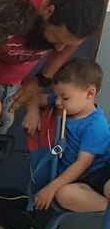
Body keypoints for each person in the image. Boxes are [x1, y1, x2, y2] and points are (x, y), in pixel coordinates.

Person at [0, 0, 107, 138]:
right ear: (48, 11)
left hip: (10, 86)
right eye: (56, 39)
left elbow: (67, 44)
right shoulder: (6, 0)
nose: (59, 49)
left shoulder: (79, 21)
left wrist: (41, 80)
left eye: (67, 43)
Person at [31, 60, 110, 214]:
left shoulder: (96, 125)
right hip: (79, 182)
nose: (58, 102)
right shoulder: (64, 101)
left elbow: (83, 163)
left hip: (100, 172)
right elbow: (34, 97)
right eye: (57, 96)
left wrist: (50, 188)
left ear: (90, 93)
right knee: (63, 195)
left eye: (65, 98)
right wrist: (33, 112)